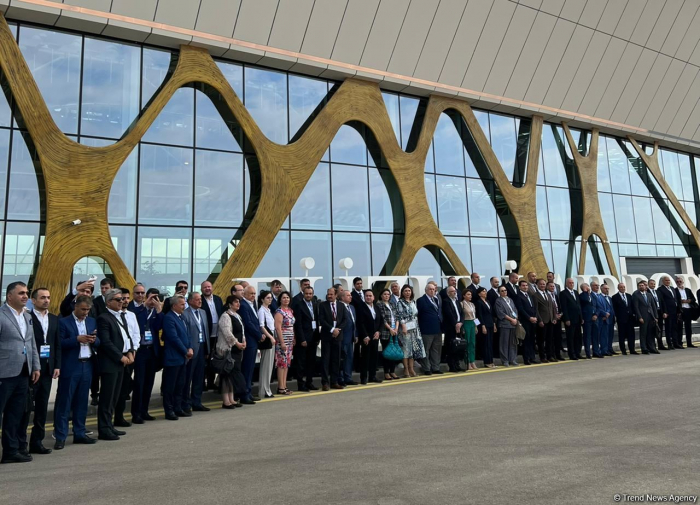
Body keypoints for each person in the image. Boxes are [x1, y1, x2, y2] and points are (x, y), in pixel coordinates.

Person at [0, 282, 40, 464]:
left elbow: (31, 343)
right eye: (21, 293)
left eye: (26, 293)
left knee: (14, 415)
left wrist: (36, 366)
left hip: (23, 372)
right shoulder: (1, 315)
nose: (25, 296)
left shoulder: (27, 316)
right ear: (9, 296)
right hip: (4, 374)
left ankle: (11, 451)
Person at [53, 296, 99, 450]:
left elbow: (99, 341)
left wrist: (94, 340)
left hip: (87, 365)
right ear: (75, 307)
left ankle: (79, 433)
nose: (85, 313)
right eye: (83, 309)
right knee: (64, 402)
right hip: (70, 366)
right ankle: (60, 436)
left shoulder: (92, 321)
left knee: (81, 402)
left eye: (88, 310)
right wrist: (77, 339)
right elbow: (59, 344)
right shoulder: (63, 322)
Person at [18, 288, 60, 455]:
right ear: (33, 301)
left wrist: (57, 365)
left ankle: (37, 442)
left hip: (48, 369)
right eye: (42, 298)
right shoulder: (26, 317)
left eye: (48, 297)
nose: (46, 300)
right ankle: (21, 444)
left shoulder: (54, 319)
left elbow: (57, 344)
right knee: (25, 409)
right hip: (30, 369)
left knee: (42, 408)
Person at [96, 289, 135, 440]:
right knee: (107, 397)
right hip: (111, 362)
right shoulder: (104, 318)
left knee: (115, 396)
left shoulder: (120, 317)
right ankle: (104, 429)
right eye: (118, 300)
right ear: (108, 302)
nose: (121, 302)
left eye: (122, 300)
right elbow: (106, 342)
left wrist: (130, 351)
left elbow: (127, 336)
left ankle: (110, 425)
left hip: (122, 361)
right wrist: (120, 357)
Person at [130, 287, 163, 423]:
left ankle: (144, 411)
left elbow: (160, 326)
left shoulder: (155, 312)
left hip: (152, 350)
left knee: (149, 382)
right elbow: (134, 320)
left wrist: (159, 309)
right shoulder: (137, 309)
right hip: (140, 350)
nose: (152, 300)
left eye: (155, 298)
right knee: (139, 382)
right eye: (150, 297)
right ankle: (136, 412)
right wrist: (144, 305)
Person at [161, 294, 193, 421]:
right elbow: (173, 338)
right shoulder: (169, 318)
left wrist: (190, 347)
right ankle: (169, 410)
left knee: (180, 384)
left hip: (182, 358)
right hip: (173, 357)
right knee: (170, 386)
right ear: (174, 305)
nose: (184, 306)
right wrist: (185, 351)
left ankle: (178, 408)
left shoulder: (182, 317)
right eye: (182, 304)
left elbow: (187, 334)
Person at [114, 288, 141, 427]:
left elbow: (136, 334)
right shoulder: (113, 316)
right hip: (118, 356)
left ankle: (119, 416)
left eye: (126, 298)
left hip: (131, 355)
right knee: (116, 389)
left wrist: (134, 349)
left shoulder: (131, 315)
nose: (124, 301)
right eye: (121, 298)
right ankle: (112, 417)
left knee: (125, 388)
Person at [182, 292, 210, 413]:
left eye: (200, 299)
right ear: (190, 301)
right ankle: (186, 403)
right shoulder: (185, 314)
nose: (200, 301)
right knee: (188, 378)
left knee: (199, 377)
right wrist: (188, 348)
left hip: (202, 348)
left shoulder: (203, 312)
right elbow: (185, 333)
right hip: (191, 349)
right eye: (197, 299)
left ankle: (197, 402)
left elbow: (206, 331)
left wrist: (208, 349)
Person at [218, 295, 248, 407]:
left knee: (232, 374)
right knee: (227, 375)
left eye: (239, 302)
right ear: (229, 304)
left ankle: (232, 399)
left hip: (237, 349)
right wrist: (237, 343)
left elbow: (242, 331)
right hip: (228, 349)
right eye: (235, 302)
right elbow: (227, 333)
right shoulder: (225, 316)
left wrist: (244, 341)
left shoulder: (237, 315)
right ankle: (226, 401)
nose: (238, 304)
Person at [318, 287, 347, 390]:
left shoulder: (341, 306)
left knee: (336, 360)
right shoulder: (322, 305)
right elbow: (321, 319)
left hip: (338, 336)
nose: (329, 296)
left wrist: (338, 330)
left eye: (331, 294)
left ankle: (334, 381)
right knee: (325, 360)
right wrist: (332, 329)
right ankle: (325, 383)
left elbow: (345, 320)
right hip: (327, 336)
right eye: (328, 294)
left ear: (336, 295)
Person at [396, 284, 426, 378]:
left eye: (409, 291)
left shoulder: (413, 302)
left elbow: (415, 314)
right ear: (402, 293)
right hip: (405, 328)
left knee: (412, 349)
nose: (407, 293)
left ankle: (411, 368)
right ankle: (406, 369)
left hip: (414, 328)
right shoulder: (400, 302)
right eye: (405, 291)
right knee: (406, 349)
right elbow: (400, 315)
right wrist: (403, 326)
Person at [292, 286, 318, 392]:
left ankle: (309, 382)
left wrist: (317, 337)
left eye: (310, 293)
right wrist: (302, 339)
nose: (308, 295)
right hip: (303, 339)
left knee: (311, 362)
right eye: (307, 293)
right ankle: (301, 384)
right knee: (301, 363)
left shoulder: (315, 304)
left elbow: (317, 320)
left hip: (313, 338)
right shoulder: (299, 305)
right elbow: (298, 324)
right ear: (303, 294)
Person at [240, 285, 263, 403]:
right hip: (249, 341)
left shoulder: (252, 304)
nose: (253, 295)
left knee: (250, 368)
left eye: (254, 293)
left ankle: (248, 392)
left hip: (253, 341)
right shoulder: (243, 305)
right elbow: (248, 323)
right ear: (244, 294)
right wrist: (259, 335)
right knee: (247, 368)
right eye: (251, 293)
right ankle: (244, 394)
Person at [356, 289, 383, 384]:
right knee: (365, 358)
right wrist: (365, 336)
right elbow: (360, 323)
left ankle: (372, 376)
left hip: (375, 336)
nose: (368, 297)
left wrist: (379, 332)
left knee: (374, 357)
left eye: (370, 296)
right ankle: (363, 378)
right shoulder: (361, 307)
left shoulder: (376, 307)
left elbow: (381, 321)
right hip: (366, 337)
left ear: (373, 297)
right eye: (366, 296)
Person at [416, 282, 443, 375]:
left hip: (437, 328)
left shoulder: (436, 300)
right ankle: (427, 368)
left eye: (434, 289)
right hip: (426, 329)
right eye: (430, 289)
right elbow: (418, 315)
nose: (432, 291)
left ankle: (436, 367)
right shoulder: (421, 300)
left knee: (436, 349)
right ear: (426, 290)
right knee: (426, 350)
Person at [200, 280, 223, 391]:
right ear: (202, 289)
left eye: (209, 287)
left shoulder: (218, 299)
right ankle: (202, 383)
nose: (207, 289)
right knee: (204, 359)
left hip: (217, 334)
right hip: (205, 334)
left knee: (214, 359)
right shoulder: (199, 300)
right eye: (205, 287)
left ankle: (211, 382)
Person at [273, 292, 295, 395]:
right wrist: (281, 342)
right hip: (283, 340)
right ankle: (280, 387)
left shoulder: (290, 310)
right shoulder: (279, 312)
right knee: (281, 363)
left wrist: (293, 337)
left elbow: (292, 325)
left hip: (290, 340)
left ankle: (284, 385)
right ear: (280, 300)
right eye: (284, 298)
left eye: (287, 297)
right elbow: (278, 327)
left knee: (287, 364)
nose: (286, 299)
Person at [376, 289, 400, 380]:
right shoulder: (379, 305)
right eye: (385, 294)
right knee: (387, 352)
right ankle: (386, 372)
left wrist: (396, 328)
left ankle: (392, 371)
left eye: (388, 294)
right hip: (386, 332)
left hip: (395, 331)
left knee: (393, 352)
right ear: (381, 295)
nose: (387, 296)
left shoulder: (392, 304)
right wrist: (390, 329)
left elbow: (397, 316)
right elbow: (383, 319)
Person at [257, 290, 277, 398]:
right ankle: (263, 390)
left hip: (272, 337)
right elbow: (261, 326)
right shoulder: (261, 311)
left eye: (271, 298)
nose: (270, 300)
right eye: (268, 298)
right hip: (268, 339)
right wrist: (270, 337)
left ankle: (267, 388)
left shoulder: (268, 310)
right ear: (262, 299)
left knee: (270, 366)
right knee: (265, 365)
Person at [515, 280, 539, 365]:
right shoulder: (518, 296)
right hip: (525, 321)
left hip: (533, 321)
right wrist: (529, 318)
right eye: (523, 286)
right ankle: (526, 358)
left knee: (532, 339)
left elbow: (534, 307)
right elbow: (521, 309)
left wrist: (535, 317)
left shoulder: (530, 295)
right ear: (520, 287)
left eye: (526, 285)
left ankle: (532, 357)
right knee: (526, 340)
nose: (525, 287)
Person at [494, 286, 518, 367]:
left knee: (512, 343)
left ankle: (512, 359)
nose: (504, 292)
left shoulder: (510, 300)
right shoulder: (498, 301)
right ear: (499, 292)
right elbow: (500, 313)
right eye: (502, 291)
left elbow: (514, 310)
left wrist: (515, 319)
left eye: (505, 290)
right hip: (505, 324)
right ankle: (505, 360)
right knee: (504, 343)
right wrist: (511, 319)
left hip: (513, 324)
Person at [633, 281, 659, 354]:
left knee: (650, 333)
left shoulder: (649, 295)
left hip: (651, 316)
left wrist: (655, 317)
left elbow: (653, 306)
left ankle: (652, 348)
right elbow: (636, 307)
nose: (641, 286)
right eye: (640, 285)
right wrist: (639, 317)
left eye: (643, 285)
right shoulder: (636, 295)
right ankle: (644, 348)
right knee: (643, 333)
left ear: (645, 286)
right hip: (643, 317)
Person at [442, 286, 464, 372]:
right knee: (451, 346)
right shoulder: (446, 301)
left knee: (458, 346)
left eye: (455, 291)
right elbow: (449, 314)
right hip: (451, 327)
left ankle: (457, 364)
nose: (454, 292)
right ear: (448, 293)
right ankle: (452, 365)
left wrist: (461, 323)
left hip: (459, 326)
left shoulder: (457, 301)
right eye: (452, 291)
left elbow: (462, 313)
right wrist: (455, 324)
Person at [339, 290, 358, 385]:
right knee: (342, 358)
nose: (350, 297)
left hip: (351, 337)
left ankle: (348, 377)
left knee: (349, 358)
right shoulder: (339, 307)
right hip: (342, 337)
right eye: (348, 295)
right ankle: (341, 378)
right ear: (342, 297)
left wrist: (356, 335)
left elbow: (354, 323)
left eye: (350, 295)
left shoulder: (352, 307)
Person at [533, 279, 555, 362]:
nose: (542, 285)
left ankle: (550, 356)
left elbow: (552, 308)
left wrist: (554, 318)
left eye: (544, 284)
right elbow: (536, 309)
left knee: (549, 339)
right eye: (541, 284)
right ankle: (543, 357)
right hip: (542, 321)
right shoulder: (535, 295)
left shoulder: (548, 294)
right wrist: (540, 320)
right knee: (541, 340)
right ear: (537, 285)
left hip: (550, 320)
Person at [561, 278, 582, 360]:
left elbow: (578, 306)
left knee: (578, 337)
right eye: (570, 283)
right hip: (570, 319)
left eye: (572, 283)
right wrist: (566, 319)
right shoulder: (563, 293)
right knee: (571, 338)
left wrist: (581, 317)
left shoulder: (576, 292)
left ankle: (578, 352)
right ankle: (572, 354)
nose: (571, 284)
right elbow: (564, 307)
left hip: (578, 318)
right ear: (566, 284)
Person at [612, 283, 637, 355]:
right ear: (618, 288)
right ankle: (623, 350)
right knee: (622, 335)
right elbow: (615, 309)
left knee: (631, 335)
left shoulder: (629, 296)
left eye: (623, 287)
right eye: (621, 287)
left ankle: (632, 349)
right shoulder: (615, 297)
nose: (623, 288)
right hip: (621, 319)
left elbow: (632, 306)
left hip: (630, 319)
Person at [474, 287, 495, 368]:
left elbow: (491, 314)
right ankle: (487, 361)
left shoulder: (488, 301)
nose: (485, 292)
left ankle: (491, 361)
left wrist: (494, 324)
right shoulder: (478, 302)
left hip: (490, 323)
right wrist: (482, 325)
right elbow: (479, 315)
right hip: (484, 324)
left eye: (485, 291)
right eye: (483, 291)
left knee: (490, 343)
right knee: (486, 343)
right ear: (479, 294)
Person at [658, 276, 680, 350]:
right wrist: (664, 311)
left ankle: (675, 343)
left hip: (675, 311)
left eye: (669, 280)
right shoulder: (660, 289)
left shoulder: (672, 288)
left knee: (674, 327)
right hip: (668, 311)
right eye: (666, 280)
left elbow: (675, 299)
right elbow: (662, 301)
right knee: (668, 328)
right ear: (663, 281)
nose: (668, 281)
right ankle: (669, 344)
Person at [675, 277, 697, 348]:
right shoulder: (675, 290)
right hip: (680, 310)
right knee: (679, 327)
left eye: (680, 281)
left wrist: (688, 301)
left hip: (688, 309)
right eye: (677, 281)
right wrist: (680, 301)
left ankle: (689, 343)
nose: (679, 282)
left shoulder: (687, 290)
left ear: (683, 282)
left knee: (688, 327)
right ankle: (679, 343)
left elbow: (694, 299)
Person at [546, 281, 565, 360]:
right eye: (550, 286)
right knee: (550, 338)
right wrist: (554, 316)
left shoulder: (556, 295)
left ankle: (558, 354)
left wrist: (560, 314)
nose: (552, 288)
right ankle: (551, 355)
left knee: (558, 337)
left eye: (553, 286)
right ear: (547, 287)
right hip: (550, 320)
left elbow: (559, 306)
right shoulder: (546, 295)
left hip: (558, 319)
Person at [578, 283, 596, 359]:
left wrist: (596, 314)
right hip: (586, 318)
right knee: (587, 336)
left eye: (588, 287)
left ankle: (596, 351)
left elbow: (595, 305)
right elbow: (585, 300)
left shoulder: (592, 295)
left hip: (594, 317)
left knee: (594, 335)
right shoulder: (582, 295)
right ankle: (588, 352)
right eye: (586, 287)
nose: (588, 288)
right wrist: (585, 291)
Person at [461, 289, 477, 370]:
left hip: (472, 323)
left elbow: (475, 316)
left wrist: (477, 325)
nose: (470, 296)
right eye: (468, 294)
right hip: (466, 323)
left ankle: (472, 361)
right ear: (464, 295)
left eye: (470, 294)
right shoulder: (462, 304)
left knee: (472, 343)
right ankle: (467, 362)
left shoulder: (472, 304)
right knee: (467, 342)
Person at [598, 284, 616, 356]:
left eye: (608, 288)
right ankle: (604, 350)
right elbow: (600, 307)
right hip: (604, 319)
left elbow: (611, 308)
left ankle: (609, 348)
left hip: (611, 319)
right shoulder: (599, 297)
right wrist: (604, 314)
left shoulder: (609, 298)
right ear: (601, 289)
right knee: (604, 336)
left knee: (610, 335)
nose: (607, 290)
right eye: (605, 288)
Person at [647, 279, 662, 351]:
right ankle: (653, 346)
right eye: (651, 283)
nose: (653, 285)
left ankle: (660, 344)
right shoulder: (647, 292)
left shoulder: (657, 292)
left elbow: (662, 302)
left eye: (654, 283)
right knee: (652, 330)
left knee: (659, 329)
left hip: (659, 311)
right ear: (648, 284)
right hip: (652, 313)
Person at [589, 282, 604, 358]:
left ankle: (599, 350)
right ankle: (595, 351)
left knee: (599, 336)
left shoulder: (599, 296)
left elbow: (599, 307)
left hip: (600, 318)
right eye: (595, 285)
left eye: (598, 285)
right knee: (595, 336)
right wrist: (595, 315)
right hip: (594, 319)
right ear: (591, 287)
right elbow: (594, 307)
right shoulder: (590, 295)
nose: (597, 287)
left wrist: (599, 314)